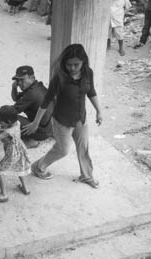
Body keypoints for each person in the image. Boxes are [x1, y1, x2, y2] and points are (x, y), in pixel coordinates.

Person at [24, 44, 103, 189]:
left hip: (80, 118)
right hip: (62, 121)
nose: (72, 68)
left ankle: (87, 176)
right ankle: (38, 167)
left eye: (76, 64)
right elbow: (46, 100)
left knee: (83, 148)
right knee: (62, 150)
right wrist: (36, 122)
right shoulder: (59, 77)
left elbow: (91, 91)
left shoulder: (88, 73)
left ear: (83, 62)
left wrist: (99, 111)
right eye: (69, 65)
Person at [0, 106, 31, 202]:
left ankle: (3, 194)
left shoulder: (8, 131)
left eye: (1, 122)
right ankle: (25, 188)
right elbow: (8, 131)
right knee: (20, 167)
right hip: (20, 149)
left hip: (12, 152)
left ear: (8, 121)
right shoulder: (17, 123)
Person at [10, 65, 53, 148]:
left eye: (22, 79)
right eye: (17, 80)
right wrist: (14, 87)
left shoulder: (31, 94)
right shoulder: (36, 87)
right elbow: (16, 99)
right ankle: (35, 137)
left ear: (32, 77)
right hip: (49, 127)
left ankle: (32, 140)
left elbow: (12, 111)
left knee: (8, 118)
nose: (19, 83)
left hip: (42, 131)